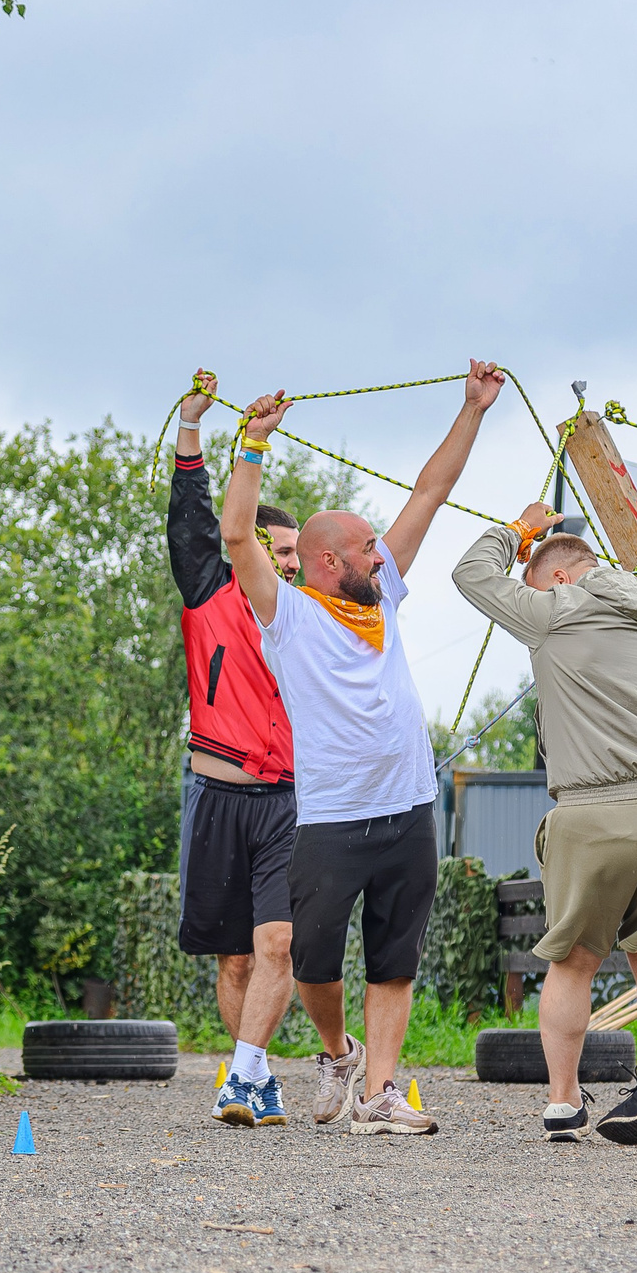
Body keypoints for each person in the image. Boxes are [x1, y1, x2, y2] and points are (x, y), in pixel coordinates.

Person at [222, 362, 506, 1135]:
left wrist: (472, 410)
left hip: (409, 806)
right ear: (327, 563)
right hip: (334, 818)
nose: (382, 557)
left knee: (394, 960)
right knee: (314, 964)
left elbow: (429, 493)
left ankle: (378, 1095)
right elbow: (237, 533)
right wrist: (251, 445)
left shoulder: (386, 597)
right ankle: (337, 1053)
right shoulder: (289, 615)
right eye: (368, 549)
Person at [453, 507, 637, 1144]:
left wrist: (516, 532)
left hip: (596, 815)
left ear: (563, 577)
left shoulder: (556, 611)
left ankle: (565, 1102)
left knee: (573, 962)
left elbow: (470, 574)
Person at [166, 371, 366, 1129]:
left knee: (278, 940)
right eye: (276, 548)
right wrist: (194, 429)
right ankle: (255, 1073)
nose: (286, 561)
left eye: (294, 553)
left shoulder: (314, 615)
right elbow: (196, 520)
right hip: (215, 793)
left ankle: (241, 1078)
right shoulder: (209, 591)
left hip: (289, 799)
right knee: (236, 961)